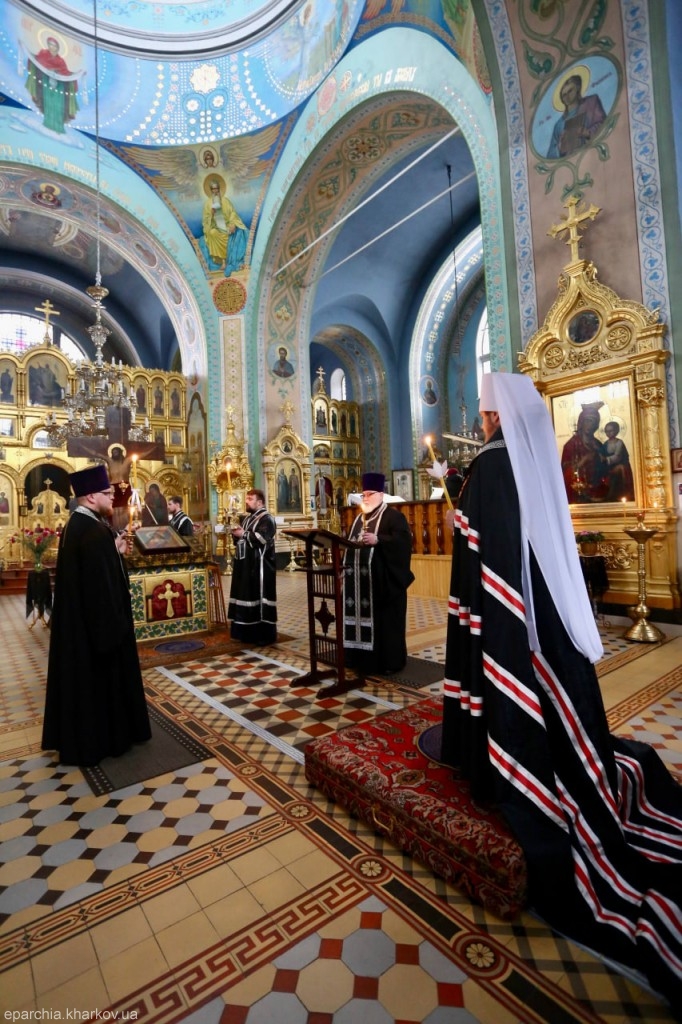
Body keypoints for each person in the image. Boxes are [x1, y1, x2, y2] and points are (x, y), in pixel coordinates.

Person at [439, 372, 682, 1009]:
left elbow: (479, 540)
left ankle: (508, 760)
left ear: (494, 415)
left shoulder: (492, 464)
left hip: (504, 607)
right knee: (559, 689)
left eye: (485, 412)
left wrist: (458, 511)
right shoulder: (530, 459)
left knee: (518, 691)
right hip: (542, 600)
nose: (483, 421)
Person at [42, 464, 151, 766]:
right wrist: (114, 633)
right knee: (99, 687)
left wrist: (113, 550)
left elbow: (91, 573)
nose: (112, 497)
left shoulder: (79, 525)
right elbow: (101, 592)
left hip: (80, 629)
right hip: (97, 634)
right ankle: (104, 741)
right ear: (91, 497)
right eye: (106, 493)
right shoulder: (92, 531)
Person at [343, 471, 414, 675]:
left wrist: (379, 540)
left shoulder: (394, 517)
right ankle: (358, 658)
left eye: (370, 494)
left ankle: (389, 662)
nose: (365, 498)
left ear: (381, 495)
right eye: (363, 494)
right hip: (359, 583)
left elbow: (403, 544)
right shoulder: (359, 519)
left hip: (385, 584)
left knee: (386, 624)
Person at [227, 488, 277, 645]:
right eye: (247, 498)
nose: (246, 501)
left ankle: (262, 635)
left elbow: (262, 538)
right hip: (245, 565)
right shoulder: (248, 518)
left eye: (250, 499)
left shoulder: (267, 518)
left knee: (257, 596)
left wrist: (243, 534)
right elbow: (241, 539)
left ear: (259, 502)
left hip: (259, 566)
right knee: (244, 594)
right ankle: (245, 633)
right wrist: (236, 533)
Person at [25, 36, 80, 135]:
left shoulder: (61, 61)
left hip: (58, 89)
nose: (52, 47)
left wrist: (76, 74)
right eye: (50, 44)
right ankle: (47, 124)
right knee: (48, 104)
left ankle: (58, 128)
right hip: (46, 84)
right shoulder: (43, 53)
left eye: (54, 45)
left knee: (57, 108)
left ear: (58, 47)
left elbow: (66, 73)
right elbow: (36, 61)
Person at [547, 73, 606, 159]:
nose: (567, 96)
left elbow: (604, 124)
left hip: (593, 155)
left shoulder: (591, 102)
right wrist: (560, 147)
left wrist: (587, 133)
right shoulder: (559, 124)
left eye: (570, 91)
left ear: (577, 88)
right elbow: (550, 156)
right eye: (564, 95)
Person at [560, 404, 608, 502]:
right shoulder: (571, 445)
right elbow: (565, 472)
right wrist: (584, 460)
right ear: (582, 422)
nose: (591, 425)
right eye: (588, 421)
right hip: (578, 491)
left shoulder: (599, 445)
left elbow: (606, 470)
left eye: (594, 422)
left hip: (598, 491)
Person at [202, 177, 247, 276]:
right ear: (210, 190)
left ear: (219, 189)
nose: (215, 191)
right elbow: (205, 220)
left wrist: (232, 224)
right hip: (216, 227)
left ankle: (231, 260)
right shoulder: (208, 204)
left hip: (227, 226)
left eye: (217, 189)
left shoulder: (226, 201)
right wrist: (212, 214)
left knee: (231, 234)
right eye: (213, 189)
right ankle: (223, 261)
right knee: (212, 233)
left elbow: (233, 213)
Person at [601, 420, 635, 501]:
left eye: (611, 431)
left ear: (616, 431)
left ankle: (620, 495)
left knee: (618, 473)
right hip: (608, 466)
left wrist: (606, 459)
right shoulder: (605, 444)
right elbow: (602, 453)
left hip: (620, 465)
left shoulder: (619, 442)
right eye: (606, 431)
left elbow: (618, 456)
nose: (608, 433)